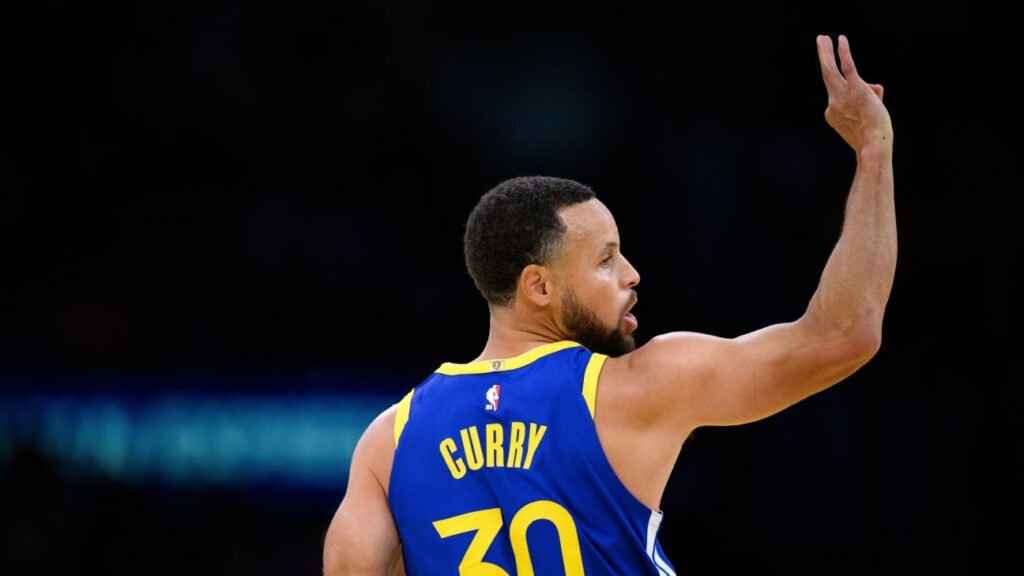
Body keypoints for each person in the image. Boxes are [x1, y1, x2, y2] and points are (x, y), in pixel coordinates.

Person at [323, 33, 895, 575]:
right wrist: (873, 151)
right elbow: (844, 334)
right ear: (539, 287)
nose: (632, 275)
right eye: (605, 260)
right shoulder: (633, 387)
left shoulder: (389, 441)